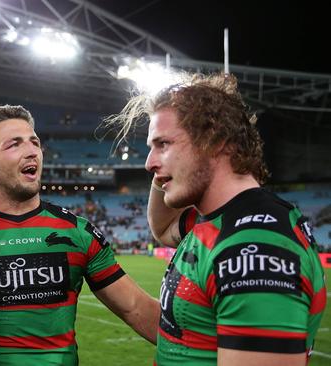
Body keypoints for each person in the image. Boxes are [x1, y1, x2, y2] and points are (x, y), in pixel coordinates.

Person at [111, 73, 326, 366]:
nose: (149, 163)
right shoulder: (218, 220)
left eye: (163, 144)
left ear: (215, 141)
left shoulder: (254, 248)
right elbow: (162, 229)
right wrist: (166, 171)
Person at [0, 105, 159, 365]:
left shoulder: (78, 233)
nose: (31, 151)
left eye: (34, 142)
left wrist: (199, 345)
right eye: (14, 144)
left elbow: (136, 308)